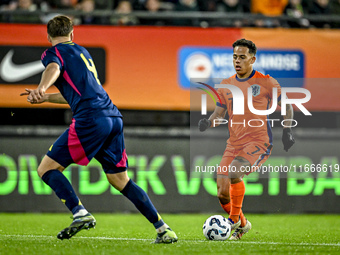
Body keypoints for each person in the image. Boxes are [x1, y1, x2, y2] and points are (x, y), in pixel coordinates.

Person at [20, 15, 178, 244]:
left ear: (48, 36)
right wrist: (44, 98)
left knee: (46, 168)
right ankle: (163, 229)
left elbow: (53, 68)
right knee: (120, 180)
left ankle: (80, 213)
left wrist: (41, 87)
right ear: (72, 34)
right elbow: (74, 95)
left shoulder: (52, 54)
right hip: (112, 116)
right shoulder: (83, 52)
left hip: (90, 119)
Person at [198, 39, 295, 240]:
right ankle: (243, 224)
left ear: (253, 59)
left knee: (234, 172)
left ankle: (232, 221)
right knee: (222, 193)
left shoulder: (267, 82)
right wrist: (208, 122)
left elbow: (287, 106)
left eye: (242, 57)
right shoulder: (226, 85)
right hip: (233, 144)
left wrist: (287, 131)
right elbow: (219, 113)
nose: (237, 61)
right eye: (234, 57)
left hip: (259, 142)